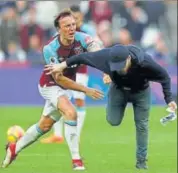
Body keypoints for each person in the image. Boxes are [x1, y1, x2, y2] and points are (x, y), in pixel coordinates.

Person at [44, 44, 177, 169]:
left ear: (129, 58)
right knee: (113, 121)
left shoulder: (145, 62)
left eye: (121, 65)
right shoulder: (104, 56)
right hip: (118, 89)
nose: (119, 68)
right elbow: (81, 57)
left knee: (142, 125)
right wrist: (61, 65)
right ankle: (113, 104)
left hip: (141, 92)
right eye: (115, 66)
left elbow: (164, 77)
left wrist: (169, 99)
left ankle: (141, 162)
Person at [1, 9, 104, 170]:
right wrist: (86, 89)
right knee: (71, 112)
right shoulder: (50, 48)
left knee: (44, 126)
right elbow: (59, 78)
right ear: (59, 29)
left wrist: (104, 67)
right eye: (67, 26)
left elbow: (96, 49)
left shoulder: (81, 38)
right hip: (50, 86)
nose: (71, 29)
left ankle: (15, 148)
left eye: (73, 25)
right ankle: (77, 161)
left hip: (66, 88)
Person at [41, 5, 101, 144]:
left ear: (81, 17)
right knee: (57, 100)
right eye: (72, 20)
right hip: (63, 72)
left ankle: (76, 136)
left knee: (79, 101)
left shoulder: (87, 31)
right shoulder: (62, 33)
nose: (74, 24)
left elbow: (97, 45)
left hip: (80, 71)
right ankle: (58, 135)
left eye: (77, 19)